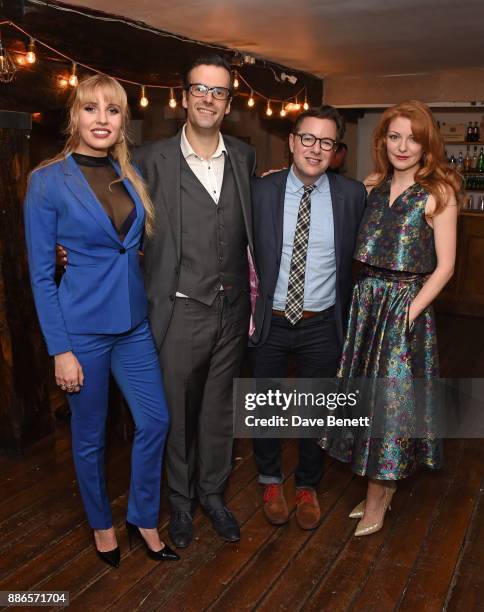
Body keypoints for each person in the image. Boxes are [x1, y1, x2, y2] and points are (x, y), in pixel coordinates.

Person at [24, 74, 179, 567]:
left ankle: (143, 516)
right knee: (89, 437)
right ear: (75, 116)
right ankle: (101, 524)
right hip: (81, 331)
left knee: (155, 420)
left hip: (133, 326)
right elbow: (42, 276)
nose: (101, 120)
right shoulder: (47, 181)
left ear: (122, 122)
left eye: (112, 111)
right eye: (91, 109)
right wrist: (60, 350)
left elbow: (128, 249)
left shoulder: (128, 173)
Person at [320, 100, 462, 536]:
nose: (404, 145)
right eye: (395, 136)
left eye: (413, 138)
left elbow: (446, 267)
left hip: (404, 307)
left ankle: (378, 499)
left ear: (426, 144)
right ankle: (376, 490)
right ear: (382, 141)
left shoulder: (439, 193)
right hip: (366, 303)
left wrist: (410, 313)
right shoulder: (372, 185)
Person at [132, 55, 256, 548]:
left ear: (228, 103)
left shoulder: (244, 158)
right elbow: (121, 224)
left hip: (232, 311)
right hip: (179, 307)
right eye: (199, 89)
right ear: (184, 97)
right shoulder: (150, 159)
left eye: (218, 91)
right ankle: (180, 505)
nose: (208, 98)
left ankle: (214, 496)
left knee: (219, 411)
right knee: (177, 414)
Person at [249, 107, 366, 529]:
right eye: (309, 139)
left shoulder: (353, 196)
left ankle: (306, 485)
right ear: (293, 141)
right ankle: (269, 479)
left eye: (327, 142)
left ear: (336, 151)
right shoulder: (261, 191)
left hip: (323, 321)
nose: (316, 149)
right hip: (271, 318)